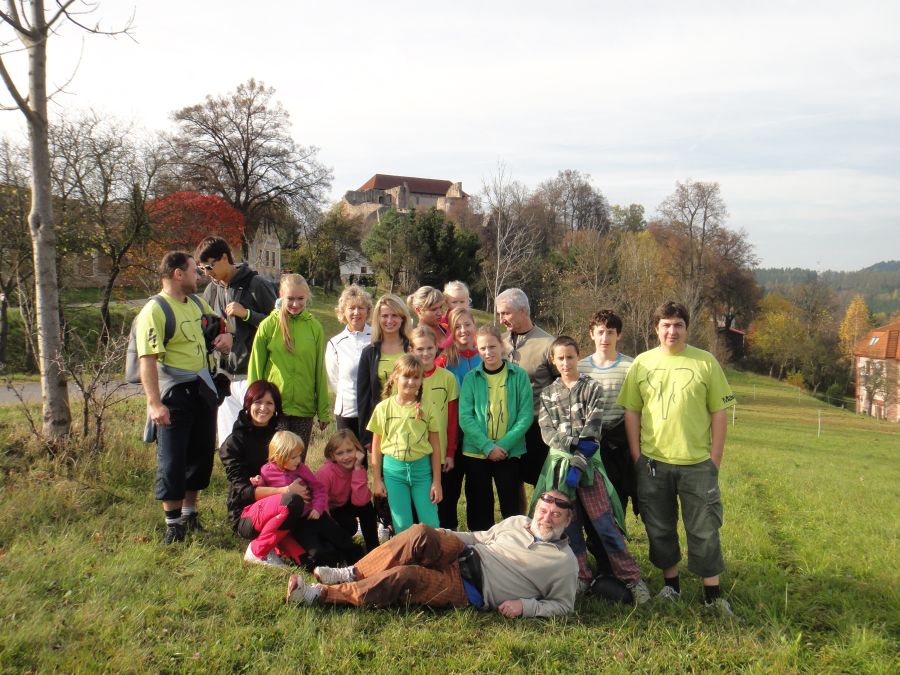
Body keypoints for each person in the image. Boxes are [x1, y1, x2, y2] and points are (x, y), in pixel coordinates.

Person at [286, 489, 579, 619]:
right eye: (543, 510)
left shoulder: (563, 563)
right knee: (421, 532)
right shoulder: (517, 522)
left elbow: (563, 606)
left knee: (406, 576)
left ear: (568, 521)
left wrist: (525, 607)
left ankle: (319, 594)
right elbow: (480, 537)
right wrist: (444, 535)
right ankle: (351, 572)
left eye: (556, 515)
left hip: (472, 588)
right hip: (465, 552)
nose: (546, 518)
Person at [617, 301, 736, 614]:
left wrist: (714, 459)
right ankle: (671, 586)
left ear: (687, 328)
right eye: (666, 325)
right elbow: (632, 411)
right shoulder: (642, 363)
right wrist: (637, 455)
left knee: (704, 529)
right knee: (659, 528)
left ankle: (712, 595)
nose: (672, 331)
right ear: (656, 329)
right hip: (653, 463)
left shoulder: (705, 362)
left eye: (678, 325)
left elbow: (719, 412)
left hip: (697, 464)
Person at [532, 336, 650, 603]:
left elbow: (593, 429)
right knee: (569, 526)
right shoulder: (548, 393)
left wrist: (579, 457)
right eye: (560, 358)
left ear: (578, 357)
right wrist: (571, 445)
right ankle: (581, 576)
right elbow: (547, 432)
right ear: (553, 361)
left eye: (570, 357)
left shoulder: (592, 388)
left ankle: (632, 578)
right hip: (560, 468)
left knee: (604, 523)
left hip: (588, 466)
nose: (565, 363)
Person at [134, 250, 233, 544]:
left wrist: (226, 338)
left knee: (200, 456)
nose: (199, 276)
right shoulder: (155, 310)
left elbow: (222, 327)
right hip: (173, 395)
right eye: (193, 271)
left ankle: (190, 515)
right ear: (178, 274)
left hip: (202, 390)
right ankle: (173, 525)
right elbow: (147, 360)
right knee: (173, 459)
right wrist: (154, 403)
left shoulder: (198, 303)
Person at [195, 236, 277, 444]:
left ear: (225, 258)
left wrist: (247, 315)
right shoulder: (211, 290)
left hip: (254, 375)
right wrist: (216, 338)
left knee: (257, 444)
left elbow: (279, 326)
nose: (207, 273)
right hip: (223, 378)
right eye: (202, 269)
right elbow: (204, 327)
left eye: (210, 266)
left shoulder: (256, 284)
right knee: (228, 444)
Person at [219, 380, 309, 567]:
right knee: (293, 501)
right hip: (246, 515)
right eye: (258, 402)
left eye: (269, 403)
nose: (263, 408)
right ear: (248, 404)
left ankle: (280, 544)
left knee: (309, 560)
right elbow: (244, 492)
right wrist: (285, 490)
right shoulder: (233, 442)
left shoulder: (279, 438)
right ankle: (257, 550)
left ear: (276, 408)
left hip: (280, 509)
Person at [251, 430, 363, 568]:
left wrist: (317, 508)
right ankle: (338, 561)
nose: (299, 460)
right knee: (317, 553)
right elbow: (268, 496)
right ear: (279, 456)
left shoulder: (301, 468)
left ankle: (361, 558)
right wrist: (259, 483)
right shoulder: (266, 471)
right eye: (294, 457)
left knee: (340, 538)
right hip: (297, 523)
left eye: (299, 455)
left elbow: (318, 488)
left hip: (314, 515)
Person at [459, 324, 532, 531]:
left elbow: (525, 415)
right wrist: (487, 447)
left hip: (508, 452)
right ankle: (480, 545)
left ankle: (513, 542)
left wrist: (503, 445)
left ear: (501, 345)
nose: (488, 352)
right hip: (476, 452)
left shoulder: (519, 375)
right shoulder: (471, 378)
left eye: (492, 346)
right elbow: (465, 417)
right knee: (479, 506)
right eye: (482, 348)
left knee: (511, 504)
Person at [248, 274, 331, 455]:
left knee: (297, 462)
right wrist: (253, 403)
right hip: (275, 407)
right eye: (290, 299)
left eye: (300, 299)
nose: (295, 304)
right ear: (281, 296)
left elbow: (319, 371)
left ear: (307, 297)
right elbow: (256, 367)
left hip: (304, 408)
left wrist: (323, 411)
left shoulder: (315, 328)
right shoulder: (268, 325)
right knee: (277, 461)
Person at [369, 354, 443, 533]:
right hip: (393, 473)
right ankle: (407, 552)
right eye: (406, 376)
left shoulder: (428, 407)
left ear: (422, 380)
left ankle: (433, 552)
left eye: (416, 377)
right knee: (402, 524)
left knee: (430, 523)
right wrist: (377, 480)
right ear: (395, 377)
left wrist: (437, 481)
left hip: (422, 472)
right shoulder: (383, 408)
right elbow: (376, 448)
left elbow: (436, 447)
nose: (411, 381)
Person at [577, 309, 637, 517]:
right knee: (589, 499)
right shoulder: (580, 367)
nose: (605, 338)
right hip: (588, 444)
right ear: (591, 334)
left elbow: (635, 409)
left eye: (610, 332)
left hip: (619, 445)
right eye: (600, 331)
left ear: (618, 335)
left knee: (617, 500)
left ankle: (616, 535)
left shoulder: (631, 366)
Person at [495, 288, 556, 487]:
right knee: (510, 486)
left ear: (523, 311)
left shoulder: (549, 345)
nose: (501, 319)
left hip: (538, 429)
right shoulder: (499, 343)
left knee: (542, 486)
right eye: (499, 314)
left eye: (506, 313)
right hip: (505, 427)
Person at [410, 325, 460, 530]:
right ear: (411, 350)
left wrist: (450, 453)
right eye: (420, 349)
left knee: (444, 504)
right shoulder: (406, 378)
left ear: (437, 347)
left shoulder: (447, 378)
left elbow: (452, 419)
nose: (425, 353)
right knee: (417, 505)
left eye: (429, 348)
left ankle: (448, 541)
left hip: (441, 452)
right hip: (415, 453)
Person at [356, 293, 412, 449]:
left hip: (411, 422)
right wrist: (366, 435)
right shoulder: (369, 353)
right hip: (381, 425)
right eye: (385, 316)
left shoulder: (413, 348)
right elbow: (363, 397)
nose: (389, 320)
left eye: (394, 315)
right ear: (378, 319)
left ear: (403, 318)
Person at [316, 429, 379, 553]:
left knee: (367, 507)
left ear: (357, 450)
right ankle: (341, 545)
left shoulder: (358, 468)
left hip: (344, 505)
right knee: (350, 526)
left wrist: (357, 468)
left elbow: (361, 501)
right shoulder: (325, 472)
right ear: (332, 455)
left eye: (350, 451)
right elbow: (321, 504)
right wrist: (332, 528)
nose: (346, 457)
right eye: (340, 453)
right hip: (327, 511)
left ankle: (374, 548)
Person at [325, 285, 373, 434]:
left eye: (361, 308)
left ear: (368, 311)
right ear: (343, 312)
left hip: (374, 411)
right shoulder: (335, 343)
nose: (356, 312)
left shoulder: (378, 337)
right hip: (347, 412)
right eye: (351, 308)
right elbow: (334, 380)